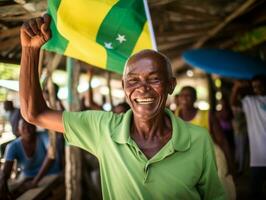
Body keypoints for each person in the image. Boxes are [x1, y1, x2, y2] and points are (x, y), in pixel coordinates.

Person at [19, 14, 226, 199]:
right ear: (124, 87)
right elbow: (34, 113)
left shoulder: (198, 140)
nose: (143, 89)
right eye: (133, 81)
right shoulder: (103, 129)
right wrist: (30, 50)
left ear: (171, 86)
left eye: (154, 79)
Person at [175, 86, 236, 200]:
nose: (184, 98)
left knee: (217, 186)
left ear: (195, 98)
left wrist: (230, 163)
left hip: (211, 155)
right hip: (187, 157)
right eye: (182, 95)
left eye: (188, 95)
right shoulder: (175, 116)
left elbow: (222, 141)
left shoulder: (207, 115)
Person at [0, 118, 62, 199]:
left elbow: (51, 155)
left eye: (30, 127)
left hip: (50, 173)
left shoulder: (43, 136)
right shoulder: (12, 146)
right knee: (12, 191)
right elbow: (6, 172)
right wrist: (4, 187)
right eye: (23, 128)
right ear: (19, 130)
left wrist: (34, 182)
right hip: (27, 175)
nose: (27, 130)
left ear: (35, 128)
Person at [231, 75, 266, 200]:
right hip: (258, 158)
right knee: (255, 192)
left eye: (260, 85)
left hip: (258, 158)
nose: (258, 88)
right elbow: (234, 103)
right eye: (255, 86)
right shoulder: (250, 101)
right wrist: (236, 87)